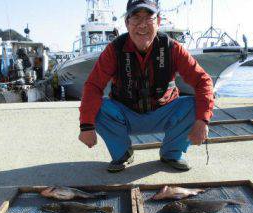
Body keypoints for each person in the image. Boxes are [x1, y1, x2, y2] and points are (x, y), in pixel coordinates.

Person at [78, 0, 214, 172]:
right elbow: (93, 86)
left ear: (158, 22)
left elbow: (203, 81)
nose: (142, 25)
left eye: (148, 17)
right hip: (126, 115)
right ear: (127, 23)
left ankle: (171, 153)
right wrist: (86, 126)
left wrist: (203, 121)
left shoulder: (173, 48)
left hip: (163, 112)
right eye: (135, 18)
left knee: (196, 105)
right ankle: (123, 153)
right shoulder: (114, 50)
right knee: (97, 107)